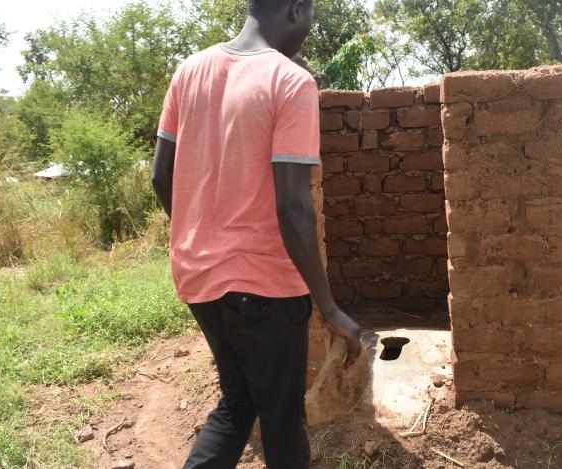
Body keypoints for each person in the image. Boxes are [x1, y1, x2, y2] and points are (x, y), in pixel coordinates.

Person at [151, 0, 362, 467]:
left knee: (238, 401)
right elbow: (292, 207)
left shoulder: (190, 71)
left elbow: (160, 178)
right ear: (293, 9)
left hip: (199, 279)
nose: (308, 27)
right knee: (282, 422)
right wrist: (329, 307)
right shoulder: (289, 81)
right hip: (264, 287)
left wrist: (202, 233)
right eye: (309, 15)